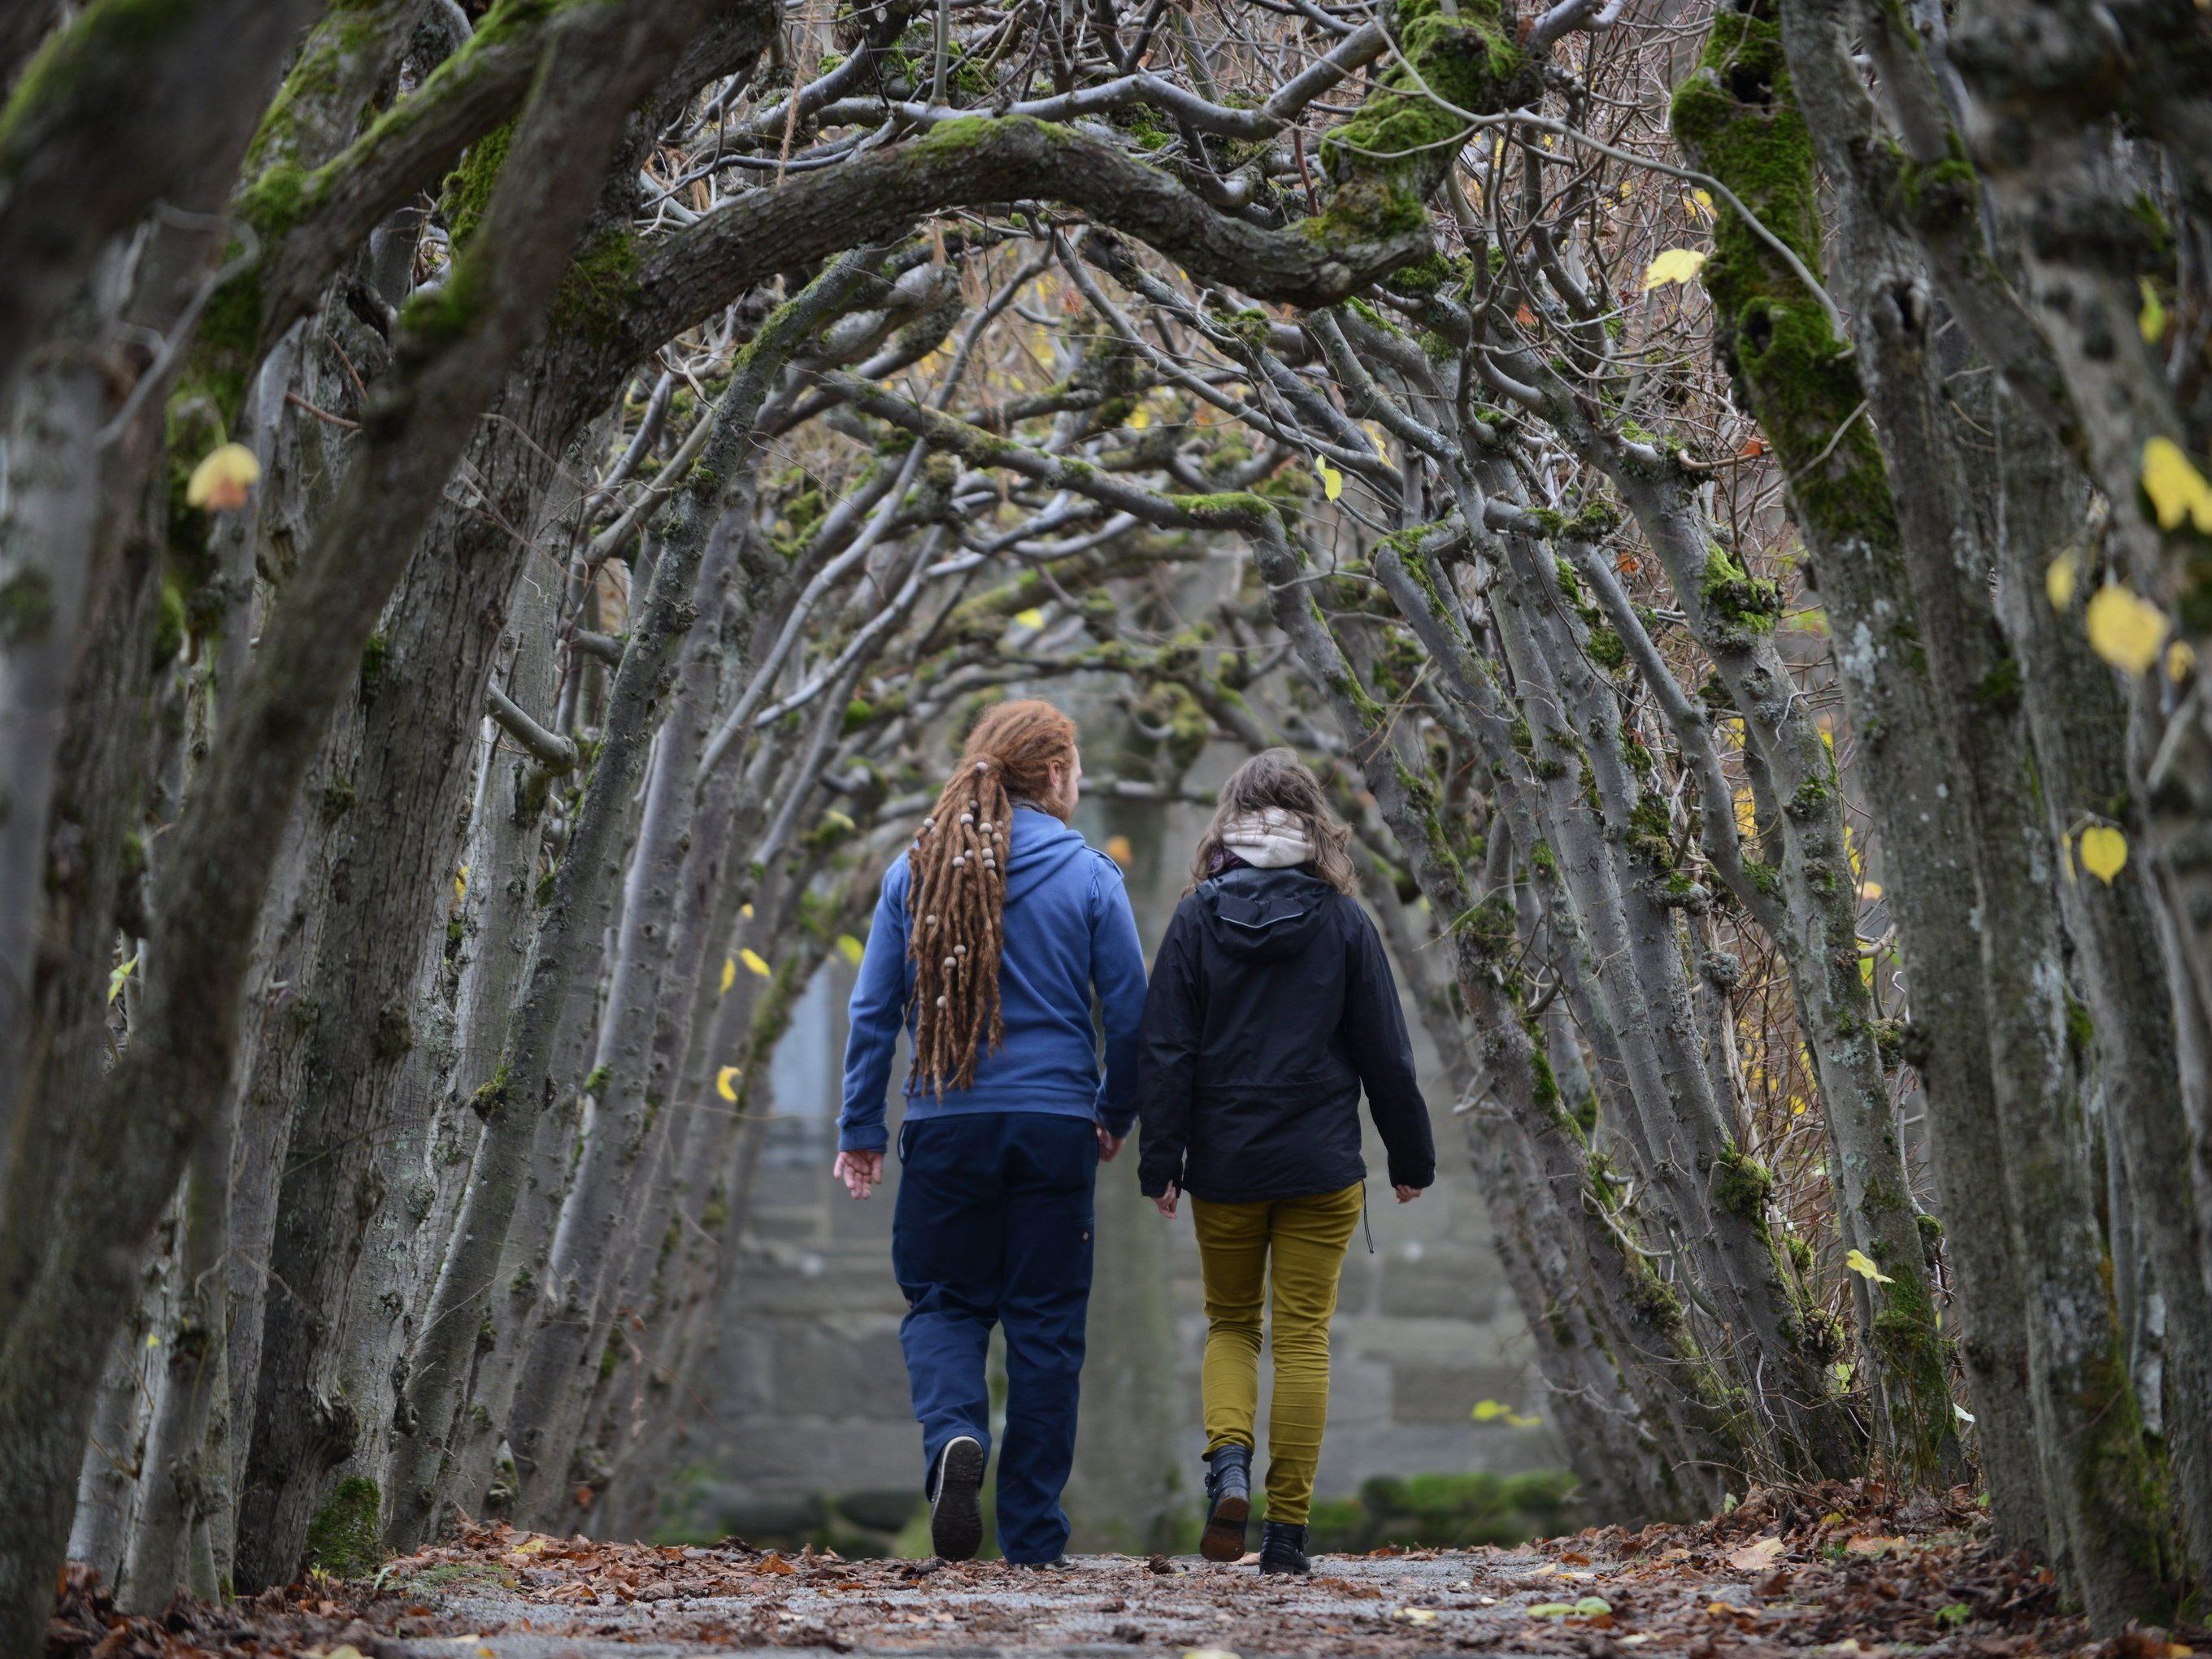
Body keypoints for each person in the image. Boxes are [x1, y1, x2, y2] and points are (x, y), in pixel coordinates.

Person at [835, 699, 1148, 1566]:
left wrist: (861, 1126)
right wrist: (1113, 1113)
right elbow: (1131, 1016)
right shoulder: (1090, 875)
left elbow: (873, 1012)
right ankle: (1036, 1539)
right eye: (1075, 767)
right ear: (1054, 775)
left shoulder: (918, 870)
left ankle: (951, 1443)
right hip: (1054, 1127)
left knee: (944, 1304)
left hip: (945, 1124)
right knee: (1046, 1328)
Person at [1133, 749, 1435, 1575]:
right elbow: (1388, 1055)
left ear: (1230, 823)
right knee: (1302, 1336)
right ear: (1315, 828)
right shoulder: (1344, 922)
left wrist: (1160, 1160)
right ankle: (1286, 1537)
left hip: (1225, 1166)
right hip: (1320, 1165)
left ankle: (1226, 1463)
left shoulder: (1197, 917)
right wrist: (1411, 1157)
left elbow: (1165, 1049)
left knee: (1232, 1324)